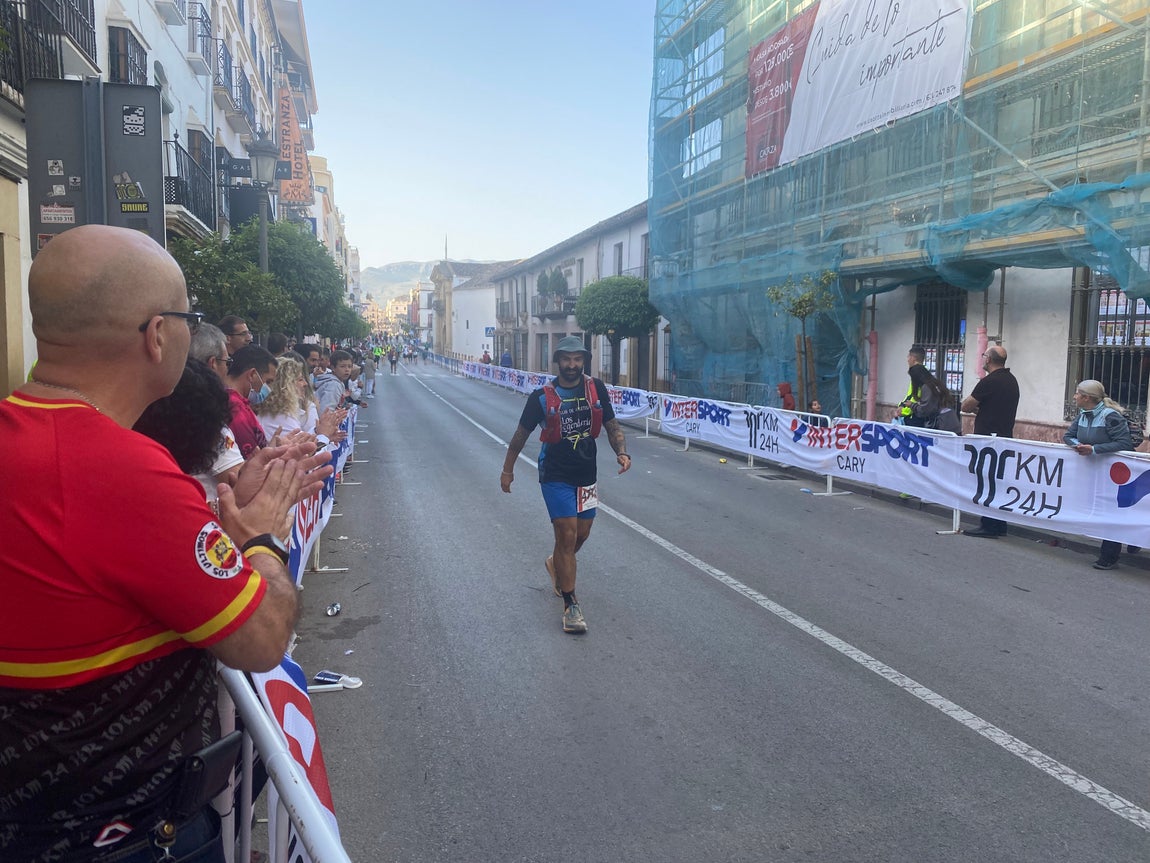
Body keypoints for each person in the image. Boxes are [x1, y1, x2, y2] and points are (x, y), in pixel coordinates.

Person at [0, 224, 332, 862]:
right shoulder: (124, 472)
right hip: (129, 836)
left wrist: (213, 519)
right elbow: (261, 639)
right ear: (157, 335)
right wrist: (262, 536)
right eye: (189, 319)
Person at [500, 336, 631, 633]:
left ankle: (555, 562)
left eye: (577, 359)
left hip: (586, 474)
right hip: (555, 475)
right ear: (557, 361)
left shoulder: (596, 389)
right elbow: (520, 435)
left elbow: (611, 425)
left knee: (581, 535)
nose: (572, 365)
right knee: (567, 534)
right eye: (566, 359)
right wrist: (507, 470)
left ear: (584, 361)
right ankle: (571, 605)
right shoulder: (541, 397)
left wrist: (622, 452)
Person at [1064, 379, 1134, 569]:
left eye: (1077, 393)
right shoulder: (1082, 414)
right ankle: (1131, 539)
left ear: (1086, 397)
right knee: (1104, 510)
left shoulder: (1110, 416)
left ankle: (1109, 556)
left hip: (1116, 474)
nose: (1074, 397)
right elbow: (1068, 436)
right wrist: (1077, 445)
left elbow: (1125, 443)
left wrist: (1094, 450)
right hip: (1095, 473)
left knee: (1113, 512)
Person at [961, 344, 1020, 537]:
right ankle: (999, 524)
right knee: (998, 482)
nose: (982, 358)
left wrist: (976, 408)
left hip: (988, 440)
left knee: (987, 481)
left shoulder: (989, 382)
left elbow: (966, 405)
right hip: (1004, 436)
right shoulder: (1011, 380)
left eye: (983, 355)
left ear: (988, 359)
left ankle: (989, 525)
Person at [222, 345, 277, 459]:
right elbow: (253, 462)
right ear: (252, 375)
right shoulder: (235, 410)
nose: (269, 389)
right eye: (268, 381)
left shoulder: (237, 403)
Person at [897, 346, 928, 426]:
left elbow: (915, 396)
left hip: (914, 415)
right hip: (916, 413)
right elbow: (910, 394)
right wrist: (902, 405)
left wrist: (903, 411)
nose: (907, 360)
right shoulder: (924, 372)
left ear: (913, 358)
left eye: (908, 356)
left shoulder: (918, 374)